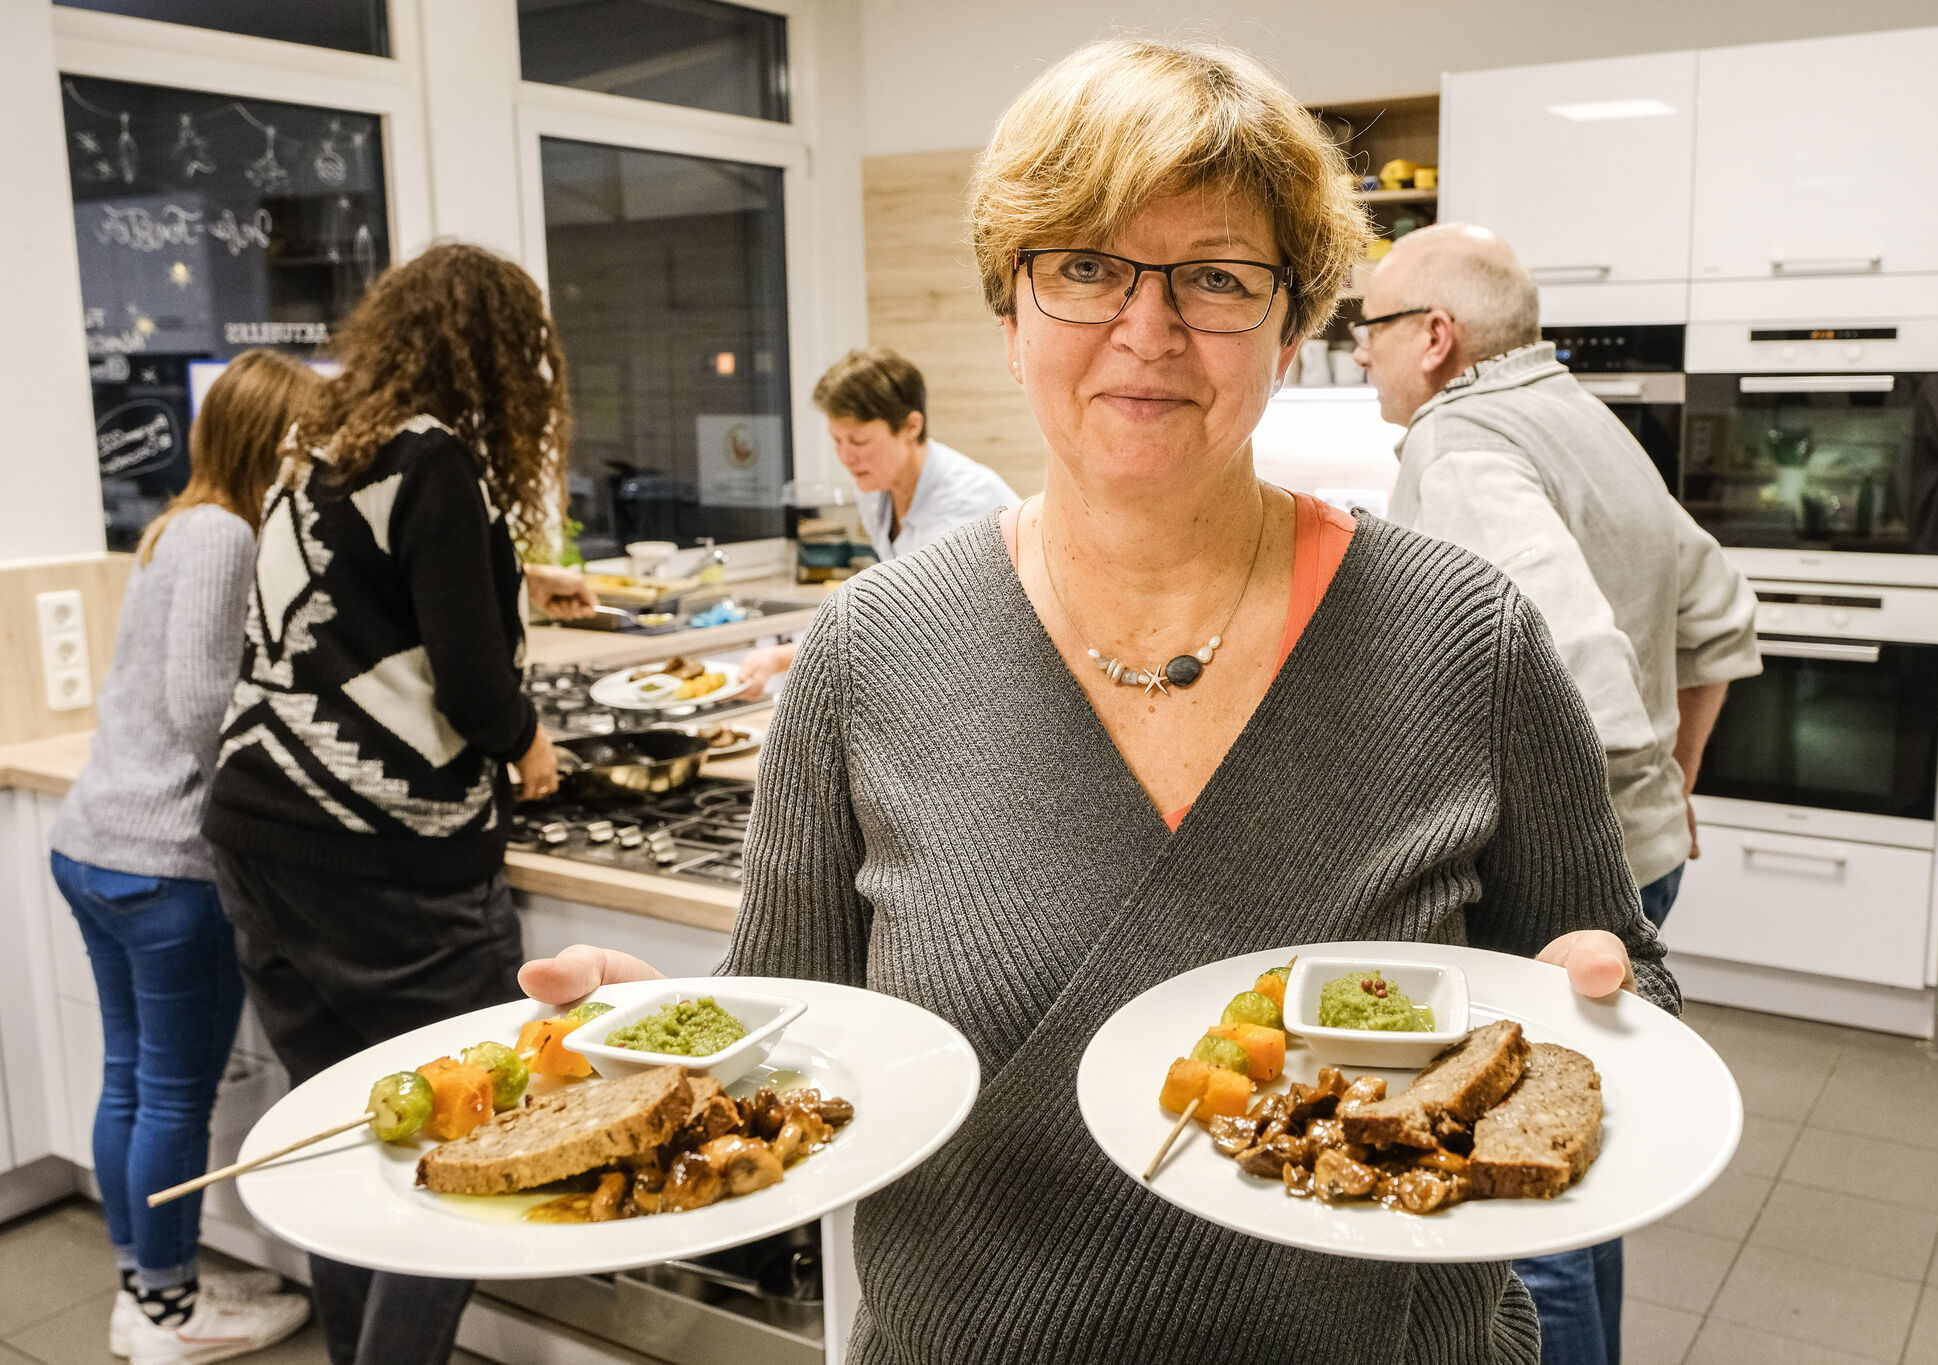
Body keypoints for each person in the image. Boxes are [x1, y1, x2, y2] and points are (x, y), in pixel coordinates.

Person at [523, 39, 1676, 1365]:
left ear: (1292, 327)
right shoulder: (869, 652)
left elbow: (1620, 980)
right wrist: (661, 1041)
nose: (1147, 330)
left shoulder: (1463, 639)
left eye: (1216, 277)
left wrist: (1593, 1009)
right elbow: (802, 1035)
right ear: (1007, 314)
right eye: (1083, 267)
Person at [1356, 222, 1760, 1365]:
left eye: (1370, 330)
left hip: (1559, 887)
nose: (1363, 356)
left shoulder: (1458, 439)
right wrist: (1668, 786)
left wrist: (1563, 835)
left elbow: (1566, 655)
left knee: (1521, 1203)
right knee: (1574, 1158)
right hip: (1641, 857)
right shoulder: (1585, 421)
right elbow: (1719, 610)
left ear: (1432, 337)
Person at [202, 242, 588, 1365]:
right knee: (475, 1139)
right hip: (386, 863)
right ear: (499, 361)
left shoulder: (312, 451)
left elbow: (362, 620)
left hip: (259, 839)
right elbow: (471, 692)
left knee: (341, 1141)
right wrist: (528, 740)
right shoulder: (435, 463)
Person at [48, 349, 319, 1364]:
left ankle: (146, 1285)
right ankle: (167, 1316)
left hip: (95, 841)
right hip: (164, 856)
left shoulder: (175, 525)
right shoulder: (225, 536)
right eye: (306, 438)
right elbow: (205, 703)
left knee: (130, 1081)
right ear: (272, 440)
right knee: (168, 1094)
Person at [737, 347, 1015, 697]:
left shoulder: (962, 503)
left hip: (996, 678)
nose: (845, 456)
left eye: (859, 440)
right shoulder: (876, 490)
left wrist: (783, 658)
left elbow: (913, 626)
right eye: (837, 440)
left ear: (911, 426)